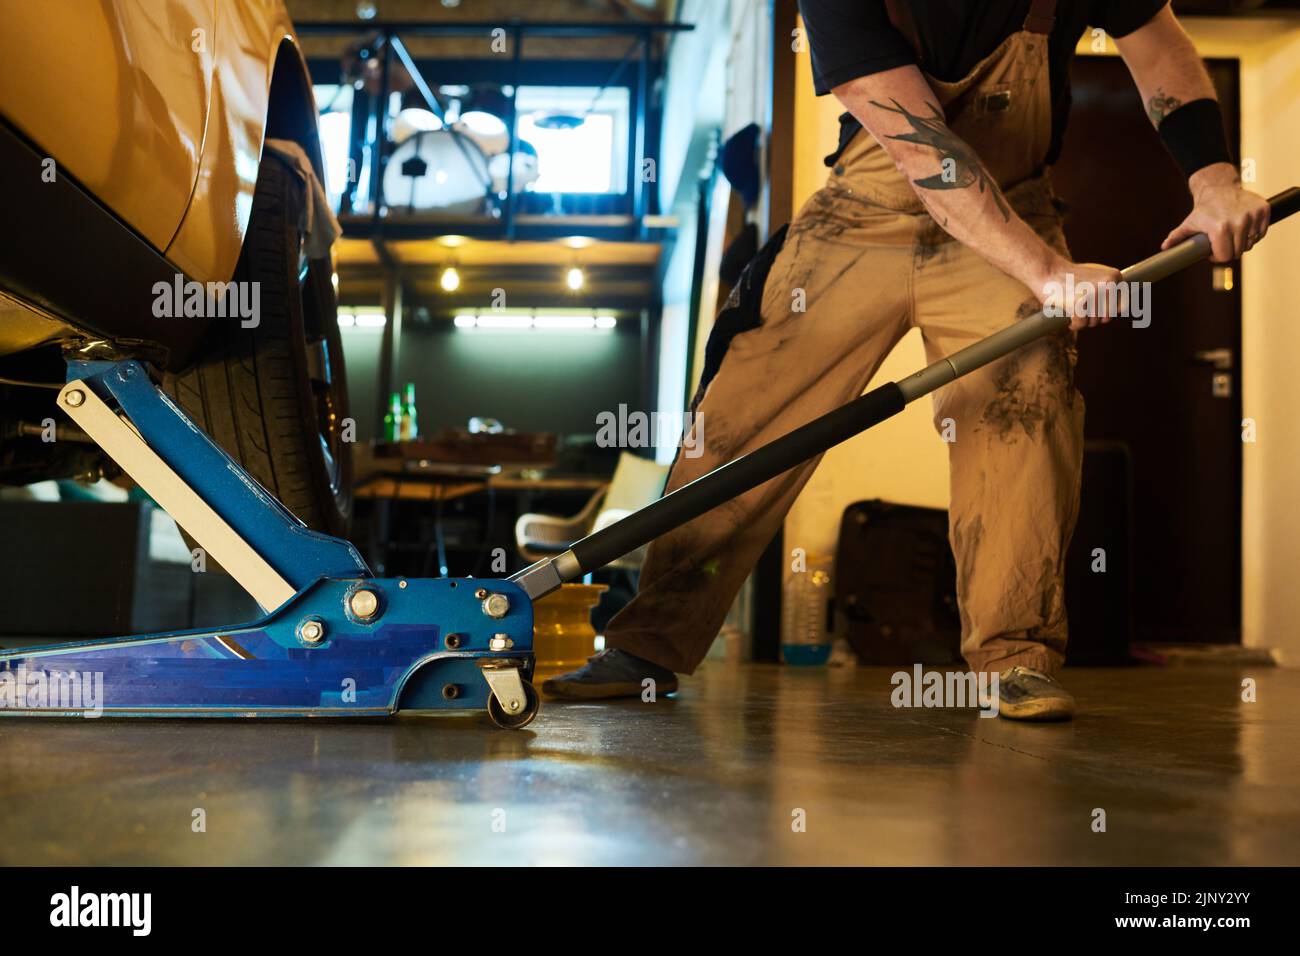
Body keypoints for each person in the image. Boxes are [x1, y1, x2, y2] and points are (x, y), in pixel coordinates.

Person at [544, 1, 1270, 720]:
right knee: (740, 419)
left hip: (1014, 203)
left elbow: (1159, 49)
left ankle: (1013, 660)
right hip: (863, 215)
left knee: (1024, 408)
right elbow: (931, 155)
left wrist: (1215, 183)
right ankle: (647, 645)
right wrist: (1048, 273)